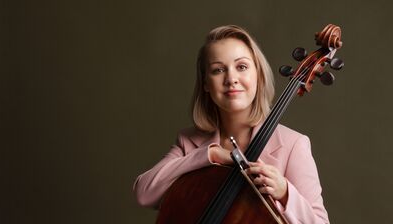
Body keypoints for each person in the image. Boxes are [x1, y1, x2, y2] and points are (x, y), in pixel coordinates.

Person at [133, 25, 329, 223]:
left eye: (241, 67)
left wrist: (285, 192)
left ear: (258, 75)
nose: (231, 79)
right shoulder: (189, 142)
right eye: (218, 70)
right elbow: (144, 194)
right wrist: (210, 154)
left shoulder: (292, 145)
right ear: (206, 84)